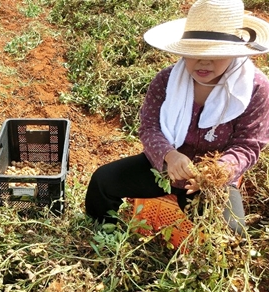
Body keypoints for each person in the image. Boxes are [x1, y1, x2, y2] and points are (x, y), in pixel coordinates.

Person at [85, 0, 269, 235]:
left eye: (216, 54)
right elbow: (149, 128)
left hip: (211, 180)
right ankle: (104, 234)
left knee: (232, 232)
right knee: (103, 181)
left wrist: (216, 172)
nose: (204, 62)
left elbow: (248, 145)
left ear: (234, 53)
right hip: (164, 168)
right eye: (195, 52)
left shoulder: (254, 88)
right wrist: (170, 156)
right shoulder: (167, 81)